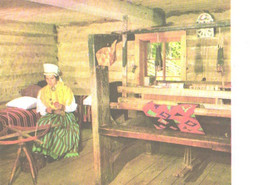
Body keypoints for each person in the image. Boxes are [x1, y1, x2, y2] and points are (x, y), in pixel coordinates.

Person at [32, 63, 80, 160]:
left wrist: (63, 107)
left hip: (65, 115)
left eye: (52, 78)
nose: (49, 81)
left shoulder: (66, 90)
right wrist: (46, 109)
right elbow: (40, 107)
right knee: (43, 122)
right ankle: (45, 151)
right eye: (47, 78)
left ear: (57, 78)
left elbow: (72, 107)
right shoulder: (43, 91)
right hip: (50, 115)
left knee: (59, 125)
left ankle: (57, 152)